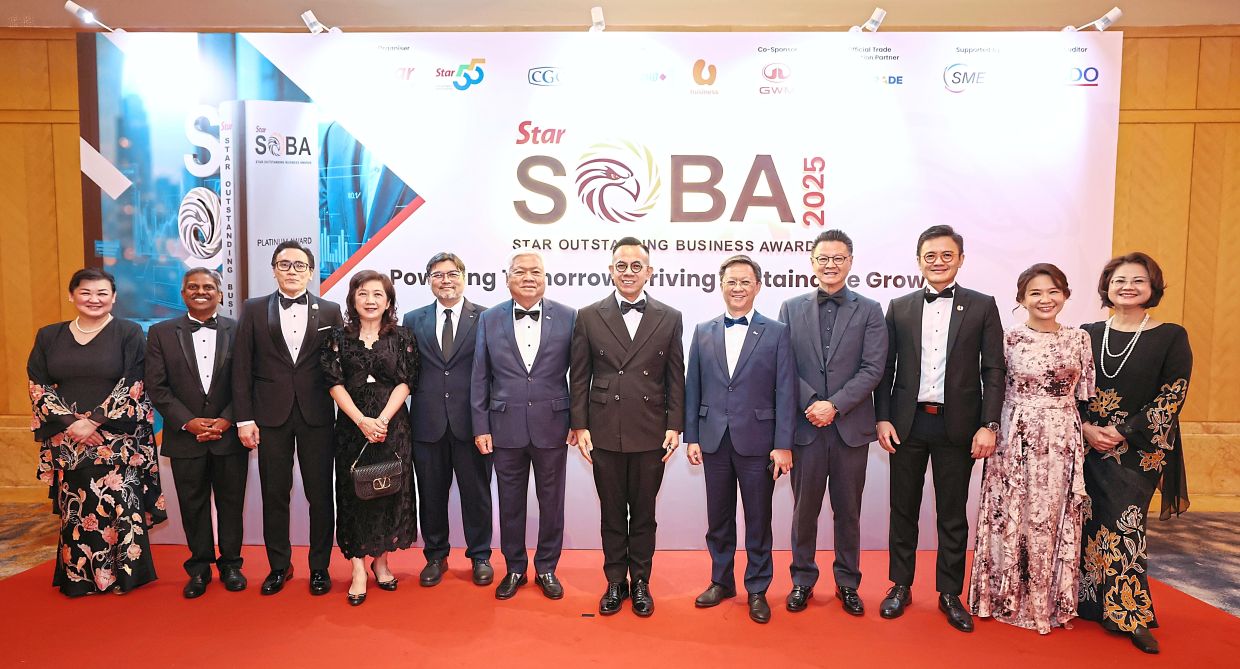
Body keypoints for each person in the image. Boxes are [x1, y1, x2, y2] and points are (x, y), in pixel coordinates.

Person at [874, 224, 1005, 632]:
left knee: (952, 514)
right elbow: (886, 368)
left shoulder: (982, 305)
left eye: (947, 255)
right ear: (918, 261)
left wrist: (989, 424)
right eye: (930, 255)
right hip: (907, 425)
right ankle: (900, 585)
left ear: (960, 260)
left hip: (959, 427)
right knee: (903, 511)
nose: (938, 262)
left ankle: (950, 593)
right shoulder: (899, 306)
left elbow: (993, 370)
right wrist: (882, 417)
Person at [968, 263, 1094, 634]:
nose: (1045, 299)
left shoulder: (1079, 339)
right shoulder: (1007, 340)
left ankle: (1051, 601)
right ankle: (1004, 597)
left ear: (1066, 295)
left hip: (1062, 440)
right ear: (1021, 299)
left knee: (1054, 517)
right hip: (1014, 436)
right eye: (1035, 292)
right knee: (1012, 514)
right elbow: (992, 387)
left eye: (1053, 291)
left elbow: (1084, 392)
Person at [1077, 252, 1192, 655]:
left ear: (1152, 288)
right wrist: (1088, 428)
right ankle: (1089, 603)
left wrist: (1123, 431)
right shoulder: (1086, 333)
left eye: (1137, 280)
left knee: (1124, 525)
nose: (1127, 286)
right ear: (1107, 286)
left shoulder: (1170, 335)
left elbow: (1172, 394)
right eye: (1119, 279)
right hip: (1088, 444)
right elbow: (1071, 388)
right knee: (1087, 522)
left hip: (1138, 450)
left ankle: (1131, 613)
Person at [29, 267, 166, 596]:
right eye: (86, 292)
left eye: (102, 293)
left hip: (117, 437)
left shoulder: (129, 332)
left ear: (114, 298)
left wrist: (96, 421)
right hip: (69, 438)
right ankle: (80, 577)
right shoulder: (49, 336)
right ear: (72, 295)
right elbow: (38, 384)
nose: (94, 299)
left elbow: (134, 380)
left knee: (120, 504)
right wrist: (72, 424)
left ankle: (125, 576)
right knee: (77, 506)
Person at [571, 237, 686, 618]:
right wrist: (580, 425)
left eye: (637, 266)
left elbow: (675, 377)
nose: (628, 272)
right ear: (610, 270)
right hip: (604, 429)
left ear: (649, 272)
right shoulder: (588, 315)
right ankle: (614, 582)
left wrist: (675, 425)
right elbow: (580, 375)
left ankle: (641, 582)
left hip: (651, 429)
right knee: (611, 512)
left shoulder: (669, 316)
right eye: (621, 265)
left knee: (644, 512)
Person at [778, 230, 888, 617]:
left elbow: (874, 367)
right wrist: (812, 403)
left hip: (849, 429)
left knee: (848, 511)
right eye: (823, 258)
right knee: (803, 512)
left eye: (838, 258)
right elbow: (783, 365)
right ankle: (802, 580)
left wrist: (835, 406)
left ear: (851, 261)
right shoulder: (790, 308)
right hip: (805, 428)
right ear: (811, 262)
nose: (830, 265)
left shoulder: (871, 309)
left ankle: (847, 582)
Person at [684, 255, 794, 624]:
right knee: (719, 518)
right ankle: (721, 580)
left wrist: (783, 444)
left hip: (759, 441)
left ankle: (758, 588)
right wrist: (692, 436)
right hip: (713, 439)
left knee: (759, 520)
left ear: (758, 286)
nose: (737, 288)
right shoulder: (702, 331)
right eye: (731, 281)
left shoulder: (777, 332)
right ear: (721, 285)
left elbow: (785, 392)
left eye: (745, 282)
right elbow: (692, 387)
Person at [232, 241, 344, 596]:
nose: (292, 270)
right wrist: (244, 419)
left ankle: (319, 567)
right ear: (274, 269)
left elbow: (341, 366)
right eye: (284, 264)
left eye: (299, 265)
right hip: (269, 417)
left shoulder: (330, 310)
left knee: (321, 496)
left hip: (318, 416)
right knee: (274, 494)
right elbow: (241, 368)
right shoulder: (252, 309)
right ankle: (279, 566)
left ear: (311, 272)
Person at [471, 251, 576, 600]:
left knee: (552, 503)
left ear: (546, 278)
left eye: (535, 272)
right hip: (504, 427)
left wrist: (578, 421)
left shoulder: (568, 317)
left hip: (553, 425)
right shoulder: (488, 319)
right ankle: (514, 567)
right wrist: (480, 426)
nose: (528, 277)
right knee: (510, 503)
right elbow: (480, 377)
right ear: (507, 278)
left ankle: (547, 567)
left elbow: (580, 374)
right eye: (520, 272)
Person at [145, 268, 247, 598]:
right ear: (183, 292)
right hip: (184, 436)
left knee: (232, 504)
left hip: (229, 435)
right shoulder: (160, 333)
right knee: (193, 505)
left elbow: (248, 381)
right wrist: (188, 422)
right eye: (193, 287)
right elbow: (156, 386)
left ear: (219, 292)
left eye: (207, 287)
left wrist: (227, 419)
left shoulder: (239, 328)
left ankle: (231, 565)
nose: (200, 291)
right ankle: (200, 569)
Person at [322, 270, 419, 605]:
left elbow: (406, 382)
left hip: (392, 427)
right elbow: (334, 383)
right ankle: (358, 568)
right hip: (352, 428)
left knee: (388, 490)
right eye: (363, 293)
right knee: (354, 493)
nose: (370, 300)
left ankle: (382, 562)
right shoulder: (337, 337)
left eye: (378, 294)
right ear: (353, 299)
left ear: (388, 301)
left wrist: (381, 420)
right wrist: (362, 420)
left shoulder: (403, 336)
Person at [403, 252, 494, 587]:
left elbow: (493, 373)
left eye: (452, 273)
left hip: (473, 426)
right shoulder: (413, 320)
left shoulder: (486, 317)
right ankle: (435, 556)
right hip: (427, 425)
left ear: (464, 276)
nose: (446, 280)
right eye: (438, 275)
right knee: (431, 494)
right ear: (429, 281)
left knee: (477, 495)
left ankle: (481, 556)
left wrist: (487, 422)